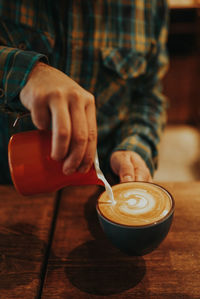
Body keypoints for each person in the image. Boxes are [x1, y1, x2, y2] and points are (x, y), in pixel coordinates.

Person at [0, 0, 168, 184]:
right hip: (8, 184)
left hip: (100, 182)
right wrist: (25, 73)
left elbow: (147, 95)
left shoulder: (151, 5)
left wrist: (134, 148)